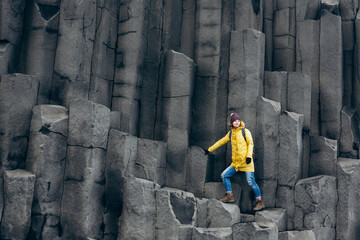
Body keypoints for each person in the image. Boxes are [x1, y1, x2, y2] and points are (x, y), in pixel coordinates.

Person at [203, 113, 265, 211]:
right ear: (231, 123)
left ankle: (260, 202)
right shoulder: (231, 134)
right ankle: (230, 196)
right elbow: (221, 141)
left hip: (247, 162)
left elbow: (250, 143)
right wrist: (209, 150)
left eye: (238, 121)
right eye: (234, 121)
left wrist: (249, 156)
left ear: (240, 121)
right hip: (236, 163)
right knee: (224, 175)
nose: (236, 122)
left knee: (250, 181)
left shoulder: (245, 131)